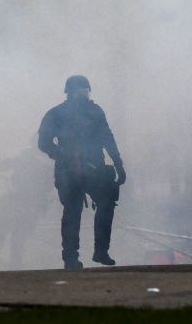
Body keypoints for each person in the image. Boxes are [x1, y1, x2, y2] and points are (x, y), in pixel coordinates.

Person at [37, 74, 126, 270]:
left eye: (86, 90)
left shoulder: (95, 111)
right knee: (72, 211)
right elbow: (43, 142)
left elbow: (107, 138)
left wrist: (118, 163)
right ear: (69, 93)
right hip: (68, 171)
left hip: (95, 169)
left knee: (107, 203)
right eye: (80, 90)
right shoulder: (56, 114)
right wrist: (64, 156)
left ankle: (101, 251)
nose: (83, 94)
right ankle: (70, 258)